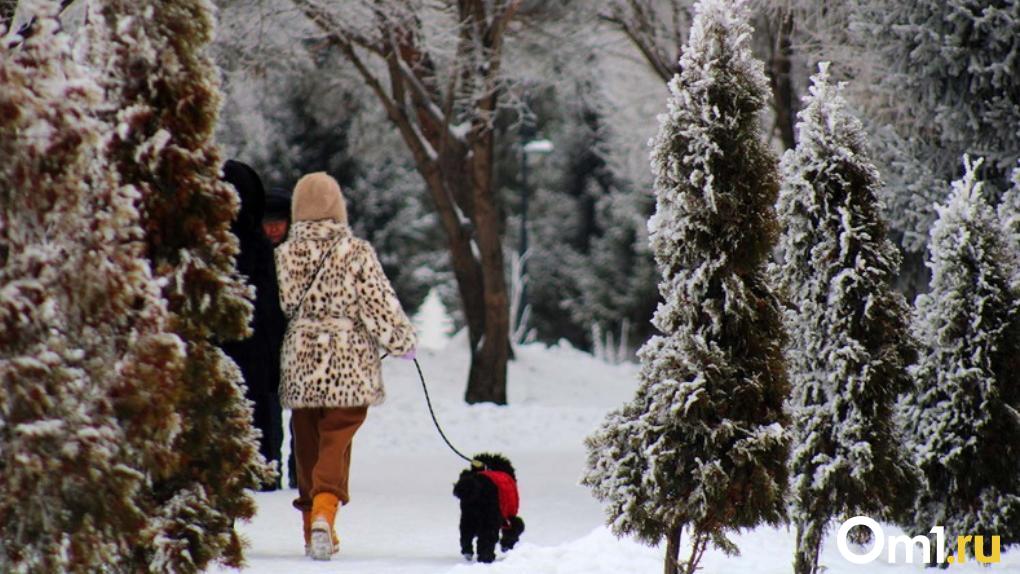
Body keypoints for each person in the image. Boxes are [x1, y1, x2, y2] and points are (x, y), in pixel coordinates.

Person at [275, 172, 416, 560]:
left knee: (306, 439)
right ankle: (324, 510)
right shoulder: (355, 252)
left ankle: (311, 529)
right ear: (338, 207)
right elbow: (377, 302)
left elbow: (282, 307)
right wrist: (402, 341)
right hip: (349, 360)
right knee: (336, 437)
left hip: (301, 358)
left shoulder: (285, 255)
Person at [221, 160, 286, 489]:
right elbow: (271, 306)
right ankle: (263, 472)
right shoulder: (257, 245)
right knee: (262, 411)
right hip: (257, 350)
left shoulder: (208, 241)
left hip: (217, 351)